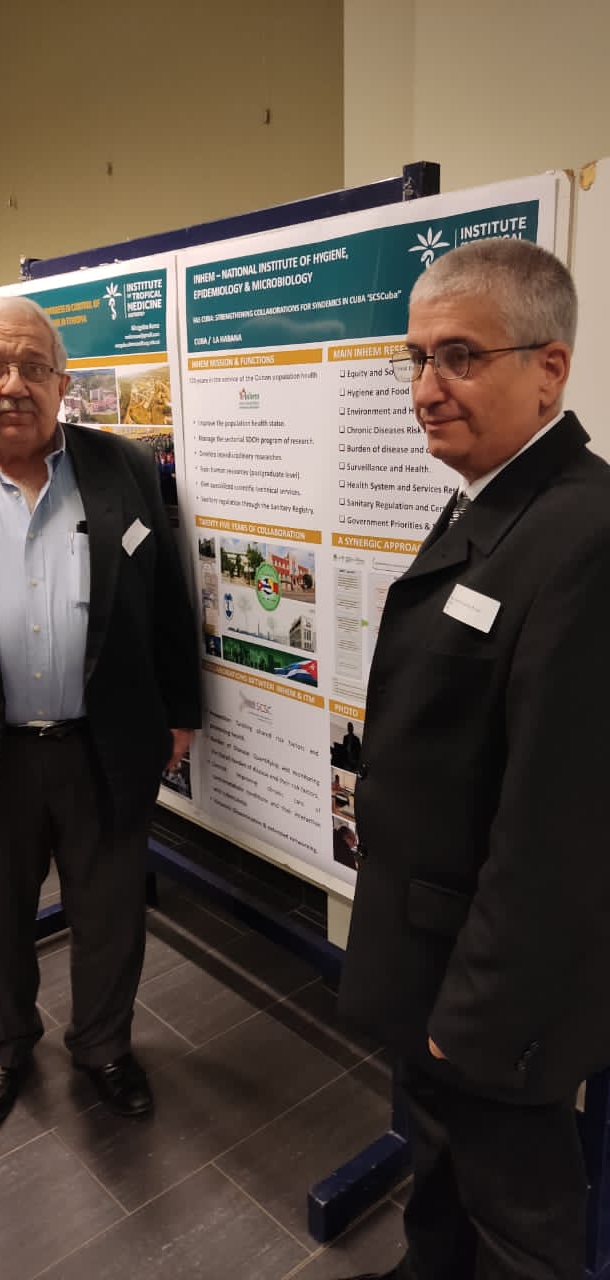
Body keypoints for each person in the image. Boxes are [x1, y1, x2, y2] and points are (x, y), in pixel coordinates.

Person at [337, 237, 610, 1280]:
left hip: (491, 994)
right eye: (416, 358)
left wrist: (475, 1018)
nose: (425, 389)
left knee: (516, 1219)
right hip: (434, 953)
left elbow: (560, 826)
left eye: (459, 356)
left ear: (550, 369)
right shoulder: (496, 499)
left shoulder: (585, 537)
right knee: (441, 1172)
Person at [0, 296, 200, 1132]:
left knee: (111, 915)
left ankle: (104, 1046)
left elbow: (166, 603)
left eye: (34, 366)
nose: (14, 384)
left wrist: (180, 711)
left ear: (64, 383)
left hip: (105, 745)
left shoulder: (125, 467)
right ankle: (1, 1048)